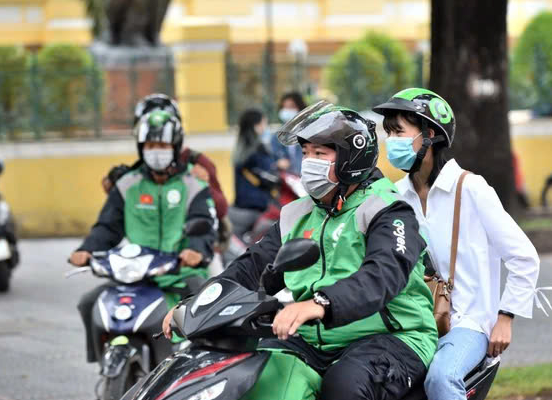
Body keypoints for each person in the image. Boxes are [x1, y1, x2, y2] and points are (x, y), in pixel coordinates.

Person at [164, 102, 438, 400]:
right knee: (254, 372)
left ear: (351, 159)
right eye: (306, 153)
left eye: (321, 154)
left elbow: (382, 276)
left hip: (393, 337)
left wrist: (320, 304)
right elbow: (251, 267)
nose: (309, 163)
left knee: (344, 386)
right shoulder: (297, 214)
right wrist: (196, 305)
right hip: (314, 337)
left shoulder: (388, 210)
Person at [372, 88, 543, 400]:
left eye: (398, 132)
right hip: (412, 324)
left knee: (442, 378)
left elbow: (524, 257)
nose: (390, 141)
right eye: (388, 133)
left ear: (430, 135)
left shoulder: (471, 189)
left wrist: (504, 318)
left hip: (469, 324)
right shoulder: (394, 195)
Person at [70, 109, 217, 362]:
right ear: (141, 148)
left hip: (180, 273)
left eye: (162, 144)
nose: (156, 151)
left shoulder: (194, 183)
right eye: (150, 145)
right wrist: (87, 249)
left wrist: (196, 249)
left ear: (175, 146)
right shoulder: (128, 184)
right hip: (135, 274)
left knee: (208, 309)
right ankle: (104, 362)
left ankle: (204, 366)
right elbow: (108, 225)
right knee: (88, 303)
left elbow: (203, 222)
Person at [102, 93, 232, 255]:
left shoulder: (196, 162)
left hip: (199, 247)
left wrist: (203, 186)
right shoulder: (142, 168)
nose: (156, 138)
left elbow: (220, 208)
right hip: (152, 250)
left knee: (212, 277)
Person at [229, 108, 288, 237]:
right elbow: (271, 177)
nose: (265, 127)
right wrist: (278, 166)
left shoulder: (240, 150)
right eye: (264, 123)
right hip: (257, 207)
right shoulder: (258, 149)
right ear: (256, 126)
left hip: (241, 204)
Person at [271, 91, 307, 174]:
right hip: (288, 182)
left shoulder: (309, 133)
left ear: (300, 108)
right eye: (284, 107)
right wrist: (278, 163)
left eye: (291, 107)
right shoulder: (276, 137)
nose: (287, 111)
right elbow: (272, 160)